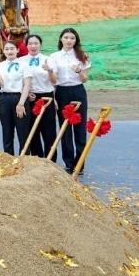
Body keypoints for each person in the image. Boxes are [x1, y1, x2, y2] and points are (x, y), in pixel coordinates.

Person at [50, 27, 91, 174]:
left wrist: (79, 71)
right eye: (66, 37)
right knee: (65, 127)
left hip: (78, 91)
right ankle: (68, 163)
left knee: (80, 128)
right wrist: (53, 97)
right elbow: (53, 80)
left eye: (72, 38)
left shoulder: (82, 56)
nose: (69, 40)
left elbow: (85, 79)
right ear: (61, 39)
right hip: (61, 92)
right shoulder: (54, 57)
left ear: (76, 40)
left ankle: (79, 164)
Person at [18, 34, 58, 160]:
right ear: (26, 45)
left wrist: (49, 70)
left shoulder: (48, 59)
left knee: (49, 131)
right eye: (30, 43)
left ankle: (51, 160)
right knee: (32, 131)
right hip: (30, 97)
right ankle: (37, 160)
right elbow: (18, 80)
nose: (33, 46)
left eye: (36, 43)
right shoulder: (21, 61)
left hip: (46, 97)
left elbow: (54, 81)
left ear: (40, 45)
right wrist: (25, 92)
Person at [0, 40, 33, 155]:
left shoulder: (24, 65)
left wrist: (21, 103)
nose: (9, 51)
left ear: (17, 50)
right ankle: (8, 157)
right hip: (4, 98)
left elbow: (27, 85)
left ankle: (24, 158)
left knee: (23, 131)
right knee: (7, 130)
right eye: (6, 49)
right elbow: (0, 84)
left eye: (12, 48)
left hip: (19, 98)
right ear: (3, 51)